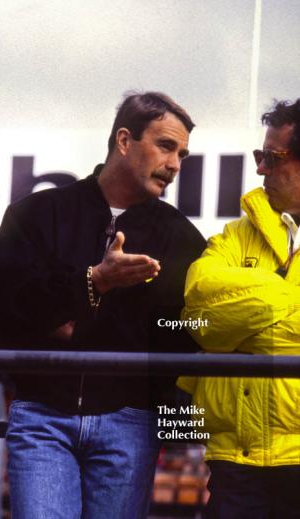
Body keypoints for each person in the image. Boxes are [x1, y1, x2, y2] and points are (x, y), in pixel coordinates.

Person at [0, 91, 205, 519]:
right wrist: (95, 280)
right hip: (42, 417)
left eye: (182, 154)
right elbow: (7, 303)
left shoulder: (181, 237)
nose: (175, 165)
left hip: (132, 423)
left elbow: (185, 334)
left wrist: (70, 313)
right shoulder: (35, 213)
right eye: (165, 146)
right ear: (124, 140)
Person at [178, 99, 300, 518]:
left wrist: (243, 323)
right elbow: (198, 309)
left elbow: (220, 318)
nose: (261, 168)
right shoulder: (235, 233)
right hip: (236, 461)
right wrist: (286, 298)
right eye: (259, 156)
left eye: (272, 156)